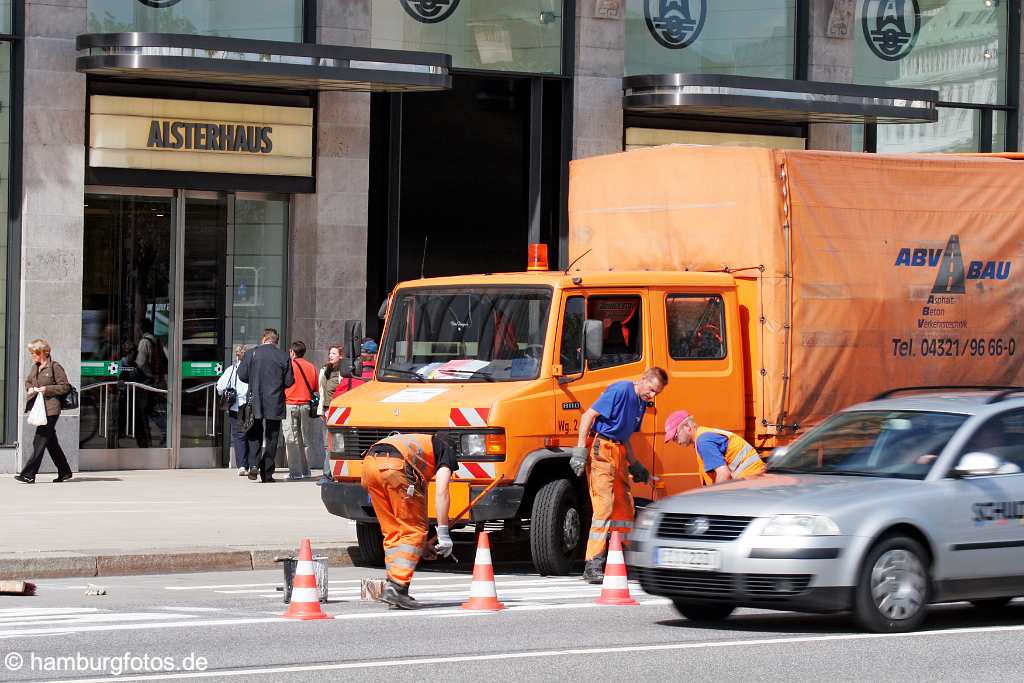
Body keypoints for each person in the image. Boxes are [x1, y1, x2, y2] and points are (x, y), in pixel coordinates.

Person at [570, 367, 667, 584]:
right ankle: (593, 564)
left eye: (656, 393)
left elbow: (624, 438)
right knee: (604, 506)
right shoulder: (621, 390)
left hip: (618, 450)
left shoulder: (641, 402)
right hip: (602, 449)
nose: (652, 396)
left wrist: (635, 465)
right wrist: (579, 450)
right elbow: (588, 416)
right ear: (642, 380)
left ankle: (621, 558)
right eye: (651, 390)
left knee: (624, 508)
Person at [361, 432, 458, 609]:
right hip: (396, 467)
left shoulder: (419, 444)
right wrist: (443, 534)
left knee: (393, 531)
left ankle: (393, 586)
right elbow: (442, 491)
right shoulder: (446, 448)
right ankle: (397, 587)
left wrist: (420, 545)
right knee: (414, 529)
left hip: (369, 465)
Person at [237, 328, 294, 483]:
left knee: (254, 434)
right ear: (276, 341)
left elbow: (242, 376)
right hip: (275, 401)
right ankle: (267, 472)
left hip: (255, 400)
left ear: (263, 339)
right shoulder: (283, 356)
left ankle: (254, 464)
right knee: (272, 437)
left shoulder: (251, 354)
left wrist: (255, 381)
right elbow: (289, 382)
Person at [16, 339, 72, 484]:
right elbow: (28, 381)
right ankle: (64, 471)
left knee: (39, 441)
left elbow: (65, 387)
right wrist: (29, 388)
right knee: (51, 442)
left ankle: (28, 474)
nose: (32, 356)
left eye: (34, 353)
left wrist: (47, 389)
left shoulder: (55, 366)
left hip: (51, 409)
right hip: (39, 408)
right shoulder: (35, 367)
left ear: (43, 353)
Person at [664, 410, 765, 485]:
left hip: (749, 484)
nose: (675, 441)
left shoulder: (703, 441)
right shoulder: (703, 436)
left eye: (675, 436)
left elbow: (724, 474)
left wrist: (712, 499)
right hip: (752, 482)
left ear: (687, 427)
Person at [282, 340, 317, 480]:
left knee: (291, 439)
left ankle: (295, 472)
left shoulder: (288, 365)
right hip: (306, 406)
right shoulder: (311, 367)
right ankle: (306, 470)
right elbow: (314, 388)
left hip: (289, 404)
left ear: (292, 352)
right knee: (305, 439)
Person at [217, 344, 252, 476]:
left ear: (237, 356)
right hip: (250, 406)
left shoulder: (231, 370)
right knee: (251, 434)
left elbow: (220, 387)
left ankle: (242, 465)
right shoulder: (252, 370)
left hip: (235, 407)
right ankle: (252, 463)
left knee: (239, 436)